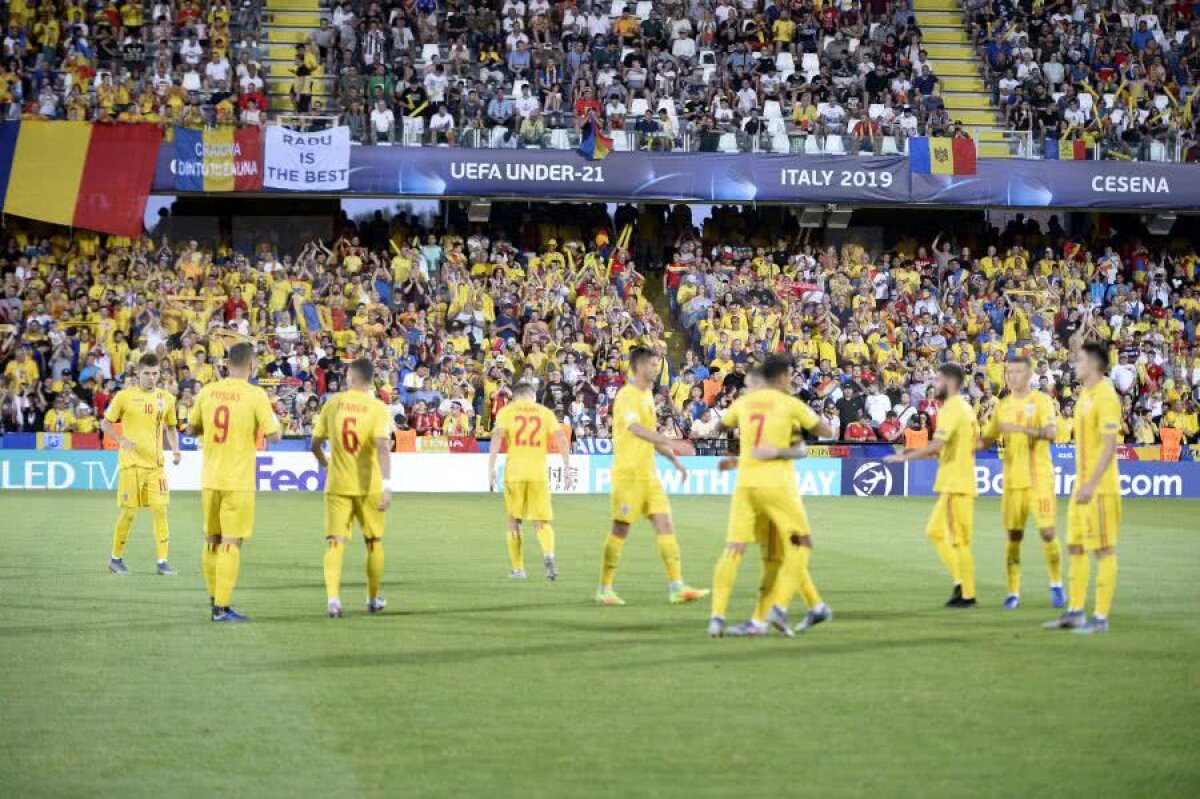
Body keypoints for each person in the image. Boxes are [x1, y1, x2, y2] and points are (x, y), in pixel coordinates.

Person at [708, 356, 833, 637]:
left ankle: (722, 617)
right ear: (779, 378)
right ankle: (780, 609)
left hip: (746, 486)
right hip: (778, 487)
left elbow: (718, 429)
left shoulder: (743, 404)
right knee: (797, 547)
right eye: (790, 375)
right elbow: (826, 432)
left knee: (742, 550)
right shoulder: (789, 404)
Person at [596, 347, 708, 606]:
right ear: (637, 367)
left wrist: (673, 459)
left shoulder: (647, 395)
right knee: (620, 528)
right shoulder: (626, 395)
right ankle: (605, 588)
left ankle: (676, 586)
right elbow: (635, 429)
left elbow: (649, 434)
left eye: (657, 364)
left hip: (649, 473)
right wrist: (672, 442)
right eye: (650, 365)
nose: (655, 369)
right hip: (628, 474)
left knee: (665, 524)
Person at [190, 342, 282, 622]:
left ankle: (213, 598)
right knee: (232, 542)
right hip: (238, 480)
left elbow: (192, 428)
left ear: (227, 364)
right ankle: (222, 606)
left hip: (210, 477)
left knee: (211, 540)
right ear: (252, 365)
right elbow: (275, 436)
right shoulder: (255, 395)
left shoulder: (207, 392)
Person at [1045, 341, 1121, 635]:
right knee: (1075, 546)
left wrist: (1090, 482)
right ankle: (1076, 612)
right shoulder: (1085, 394)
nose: (1075, 364)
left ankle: (1100, 618)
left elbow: (1110, 444)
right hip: (1082, 485)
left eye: (1080, 361)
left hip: (1100, 487)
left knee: (1103, 549)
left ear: (1095, 365)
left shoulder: (1106, 396)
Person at [886, 364, 978, 608]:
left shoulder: (952, 408)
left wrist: (906, 456)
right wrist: (920, 451)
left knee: (958, 540)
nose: (934, 384)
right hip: (955, 479)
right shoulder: (965, 408)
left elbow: (937, 446)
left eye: (937, 380)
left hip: (957, 482)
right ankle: (961, 584)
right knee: (936, 532)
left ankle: (967, 594)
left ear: (949, 382)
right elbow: (956, 446)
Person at [309, 357, 393, 618]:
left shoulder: (332, 404)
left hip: (337, 484)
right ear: (369, 380)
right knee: (374, 542)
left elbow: (314, 444)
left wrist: (326, 463)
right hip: (369, 486)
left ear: (351, 378)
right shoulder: (378, 407)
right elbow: (382, 449)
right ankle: (372, 599)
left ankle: (333, 599)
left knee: (336, 542)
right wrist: (387, 486)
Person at [978, 356, 1064, 610]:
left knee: (1048, 533)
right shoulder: (1002, 405)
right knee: (1014, 537)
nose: (1012, 376)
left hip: (1039, 480)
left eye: (1017, 372)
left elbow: (1051, 433)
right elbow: (985, 440)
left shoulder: (1041, 401)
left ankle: (1056, 583)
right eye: (1009, 372)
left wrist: (1022, 429)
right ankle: (1013, 592)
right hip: (1013, 482)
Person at [100, 354, 181, 576]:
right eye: (147, 373)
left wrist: (175, 449)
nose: (151, 377)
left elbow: (171, 427)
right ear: (138, 373)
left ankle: (163, 562)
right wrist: (120, 440)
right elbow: (105, 423)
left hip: (156, 467)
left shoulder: (167, 399)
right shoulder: (124, 397)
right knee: (129, 513)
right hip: (132, 465)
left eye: (155, 373)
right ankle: (115, 559)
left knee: (161, 510)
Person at [488, 383, 569, 580]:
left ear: (515, 397)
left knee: (514, 521)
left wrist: (490, 467)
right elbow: (560, 437)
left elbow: (497, 436)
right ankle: (548, 554)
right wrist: (566, 466)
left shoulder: (507, 411)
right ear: (532, 396)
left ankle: (518, 569)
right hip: (538, 473)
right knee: (542, 521)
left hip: (514, 472)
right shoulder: (545, 412)